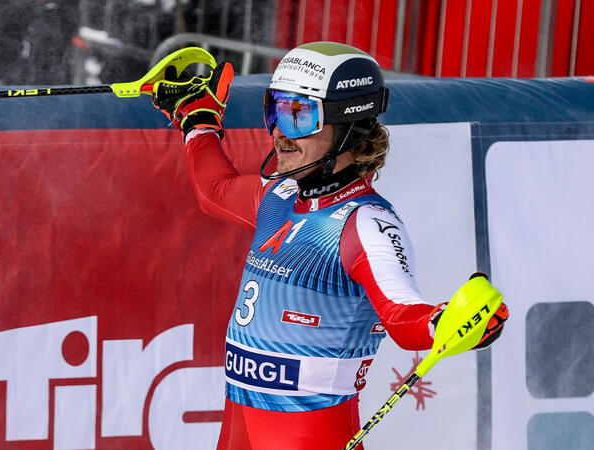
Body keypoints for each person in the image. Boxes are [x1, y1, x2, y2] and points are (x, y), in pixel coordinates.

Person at [152, 41, 509, 450]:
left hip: (311, 432)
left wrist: (450, 322)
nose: (278, 132)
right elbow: (215, 190)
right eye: (274, 109)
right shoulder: (279, 195)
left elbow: (402, 316)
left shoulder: (366, 222)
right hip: (241, 419)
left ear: (348, 130)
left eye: (298, 115)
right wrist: (197, 119)